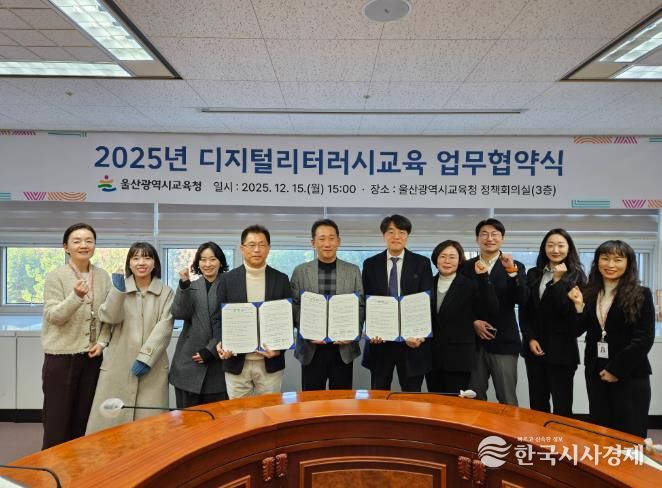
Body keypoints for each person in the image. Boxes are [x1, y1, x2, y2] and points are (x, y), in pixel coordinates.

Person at [567, 240, 655, 437]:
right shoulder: (589, 292)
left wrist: (616, 370)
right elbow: (577, 330)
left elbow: (644, 339)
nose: (610, 264)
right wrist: (579, 307)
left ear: (629, 263)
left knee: (629, 432)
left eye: (618, 259)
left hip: (630, 374)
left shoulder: (641, 294)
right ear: (597, 262)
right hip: (596, 372)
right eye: (605, 258)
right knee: (600, 430)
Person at [86, 242, 174, 434]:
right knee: (110, 424)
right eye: (136, 258)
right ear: (129, 263)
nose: (141, 262)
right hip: (119, 362)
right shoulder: (119, 288)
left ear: (155, 263)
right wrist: (118, 292)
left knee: (150, 426)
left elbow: (165, 327)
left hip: (152, 366)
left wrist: (146, 358)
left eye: (147, 257)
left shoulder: (166, 293)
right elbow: (110, 318)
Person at [41, 223, 111, 449]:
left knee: (84, 419)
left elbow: (107, 316)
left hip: (91, 357)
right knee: (57, 421)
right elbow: (54, 316)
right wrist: (75, 297)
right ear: (66, 247)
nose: (84, 245)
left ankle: (77, 466)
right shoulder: (56, 276)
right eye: (77, 241)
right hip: (61, 358)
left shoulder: (103, 276)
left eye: (89, 240)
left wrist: (102, 342)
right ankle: (52, 466)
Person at [215, 225, 291, 398]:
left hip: (270, 362)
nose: (257, 249)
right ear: (242, 248)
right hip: (236, 362)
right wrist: (221, 342)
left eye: (262, 244)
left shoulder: (281, 279)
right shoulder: (227, 279)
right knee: (239, 412)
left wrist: (279, 350)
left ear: (269, 248)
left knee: (268, 411)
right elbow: (217, 318)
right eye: (251, 245)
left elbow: (288, 319)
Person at [361, 214, 433, 391]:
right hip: (380, 342)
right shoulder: (370, 264)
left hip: (412, 343)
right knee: (379, 394)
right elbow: (366, 301)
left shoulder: (421, 263)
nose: (396, 236)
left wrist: (419, 334)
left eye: (402, 232)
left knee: (411, 396)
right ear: (383, 235)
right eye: (391, 232)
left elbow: (426, 302)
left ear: (407, 236)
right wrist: (371, 330)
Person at [460, 218, 528, 405]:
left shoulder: (515, 265)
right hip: (473, 343)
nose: (489, 238)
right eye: (484, 234)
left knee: (507, 398)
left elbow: (521, 298)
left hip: (504, 342)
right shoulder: (465, 267)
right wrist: (473, 321)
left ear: (502, 239)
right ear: (477, 239)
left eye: (494, 234)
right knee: (473, 398)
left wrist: (511, 272)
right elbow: (460, 303)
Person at [291, 219, 364, 390]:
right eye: (322, 238)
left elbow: (360, 306)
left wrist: (353, 333)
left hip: (343, 348)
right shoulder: (300, 271)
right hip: (311, 348)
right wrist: (307, 331)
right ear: (313, 243)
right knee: (311, 401)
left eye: (331, 238)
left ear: (339, 241)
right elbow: (294, 306)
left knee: (342, 401)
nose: (327, 243)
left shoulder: (353, 271)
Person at [519, 229, 586, 417]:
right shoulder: (533, 274)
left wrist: (558, 281)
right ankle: (539, 437)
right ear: (544, 248)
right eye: (550, 245)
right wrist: (530, 338)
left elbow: (570, 315)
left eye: (560, 245)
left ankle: (559, 438)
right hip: (534, 350)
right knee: (537, 405)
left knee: (562, 408)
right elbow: (525, 311)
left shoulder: (577, 277)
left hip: (562, 353)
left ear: (569, 248)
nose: (555, 250)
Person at [425, 240, 497, 395]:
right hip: (431, 356)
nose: (447, 261)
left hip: (459, 357)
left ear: (459, 261)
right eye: (443, 256)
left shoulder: (470, 285)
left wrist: (483, 278)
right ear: (436, 259)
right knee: (435, 402)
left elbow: (490, 309)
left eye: (452, 257)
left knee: (455, 402)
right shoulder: (426, 284)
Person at [169, 242, 229, 408]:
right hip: (188, 363)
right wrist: (184, 284)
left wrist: (210, 351)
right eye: (203, 259)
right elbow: (179, 313)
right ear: (197, 263)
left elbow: (231, 323)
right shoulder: (191, 286)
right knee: (187, 419)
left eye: (213, 259)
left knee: (217, 419)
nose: (207, 264)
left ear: (221, 262)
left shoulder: (230, 285)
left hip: (218, 364)